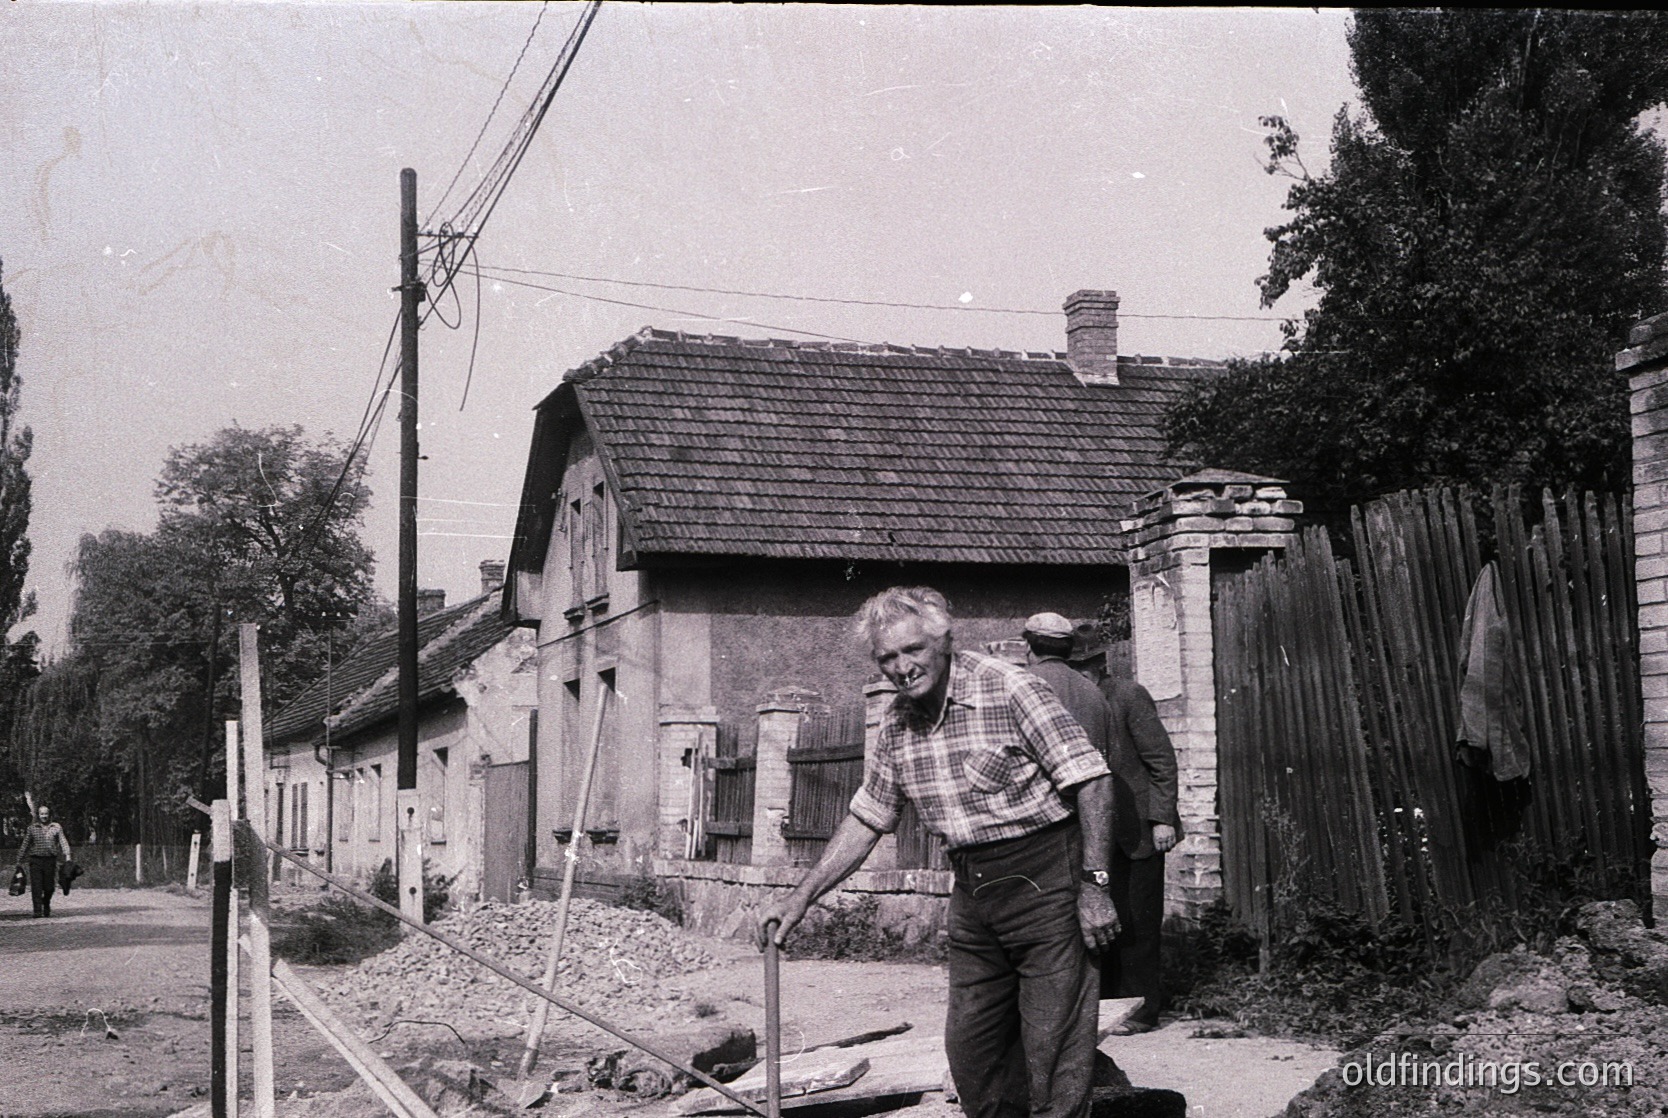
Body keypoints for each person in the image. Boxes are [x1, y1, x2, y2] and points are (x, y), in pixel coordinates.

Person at [760, 588, 1119, 1118]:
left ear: (945, 640)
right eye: (887, 657)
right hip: (974, 894)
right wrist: (800, 898)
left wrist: (1096, 886)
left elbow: (1092, 782)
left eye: (914, 650)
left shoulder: (1011, 688)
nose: (902, 668)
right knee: (973, 1055)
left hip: (1050, 882)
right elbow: (868, 817)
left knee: (1053, 1051)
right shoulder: (898, 724)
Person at [1068, 622, 1180, 1035]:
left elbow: (1161, 761)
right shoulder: (1073, 703)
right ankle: (1108, 1006)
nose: (1078, 675)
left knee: (1138, 921)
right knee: (1103, 921)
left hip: (1138, 830)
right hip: (1096, 830)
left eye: (1083, 667)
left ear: (1099, 664)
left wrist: (1162, 818)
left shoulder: (1129, 695)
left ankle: (1142, 1011)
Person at [16, 804, 72, 918]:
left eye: (46, 814)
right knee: (36, 886)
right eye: (42, 814)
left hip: (50, 861)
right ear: (38, 815)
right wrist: (19, 859)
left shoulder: (56, 827)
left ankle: (46, 903)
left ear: (49, 815)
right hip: (35, 860)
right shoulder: (32, 828)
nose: (44, 816)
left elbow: (63, 841)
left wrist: (68, 855)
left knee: (49, 887)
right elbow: (25, 844)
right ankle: (37, 910)